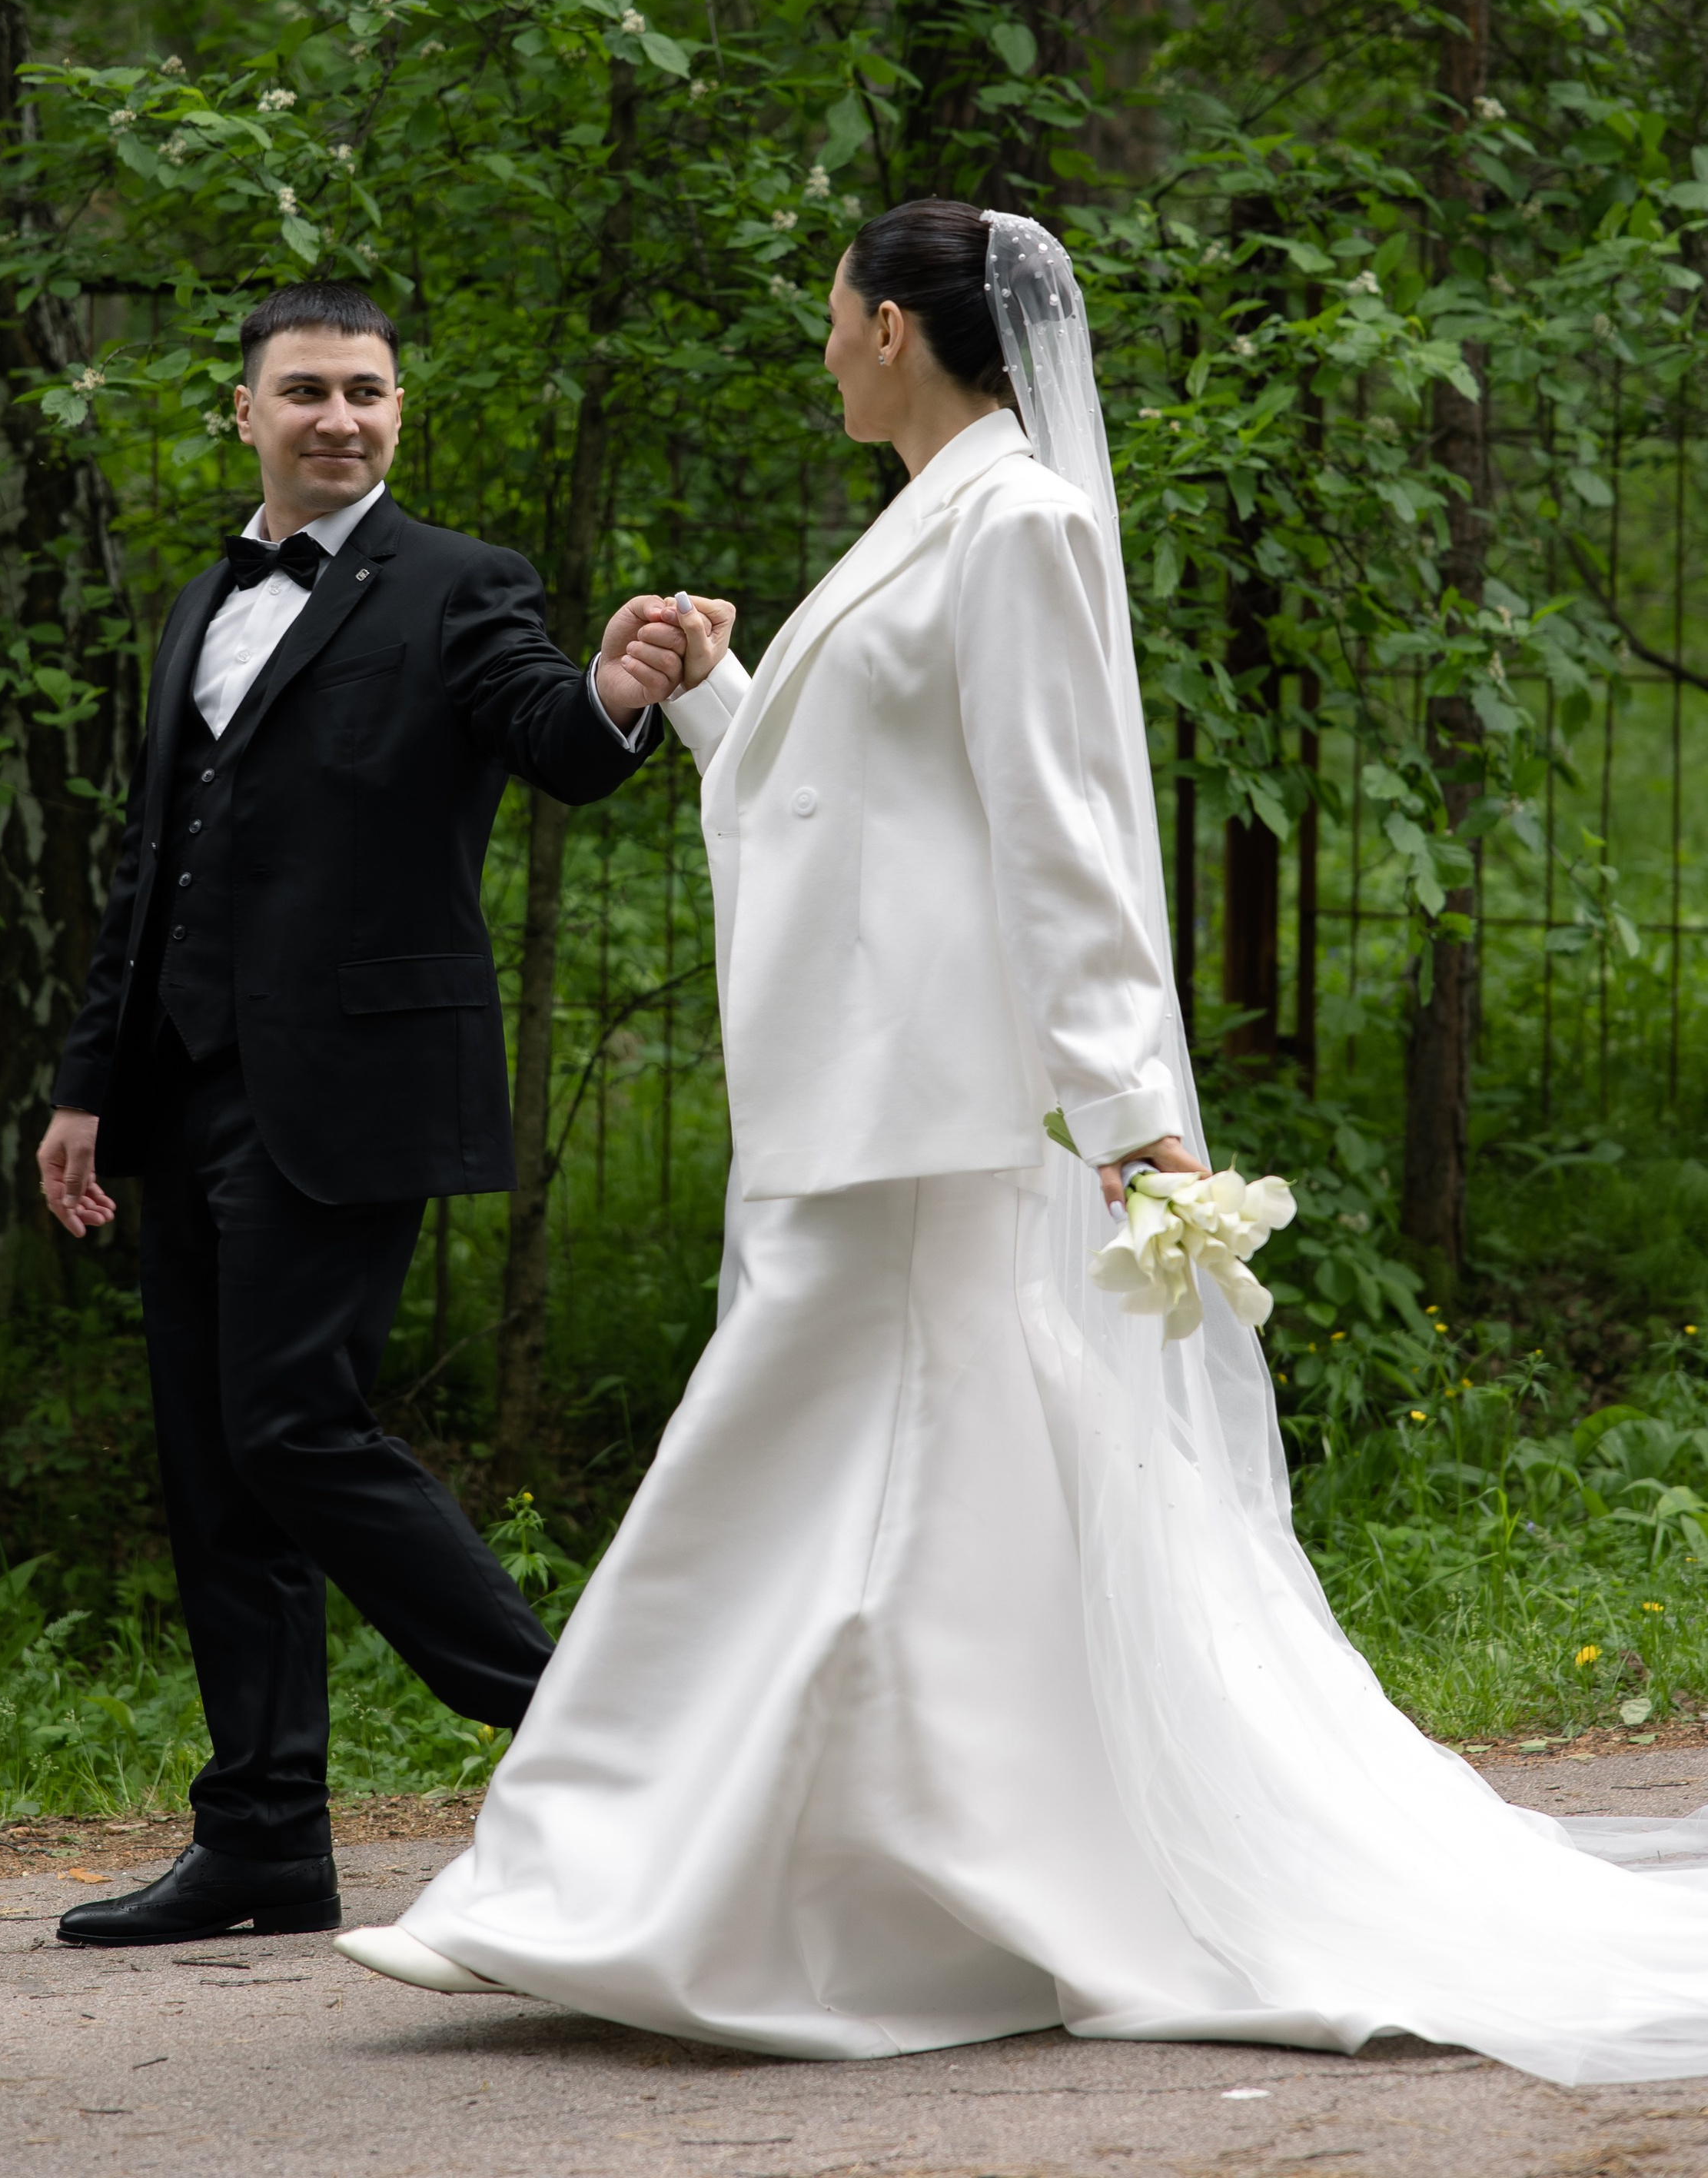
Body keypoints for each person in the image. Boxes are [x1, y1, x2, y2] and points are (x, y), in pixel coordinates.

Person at [337, 204, 1708, 2086]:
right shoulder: (930, 518)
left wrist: (1133, 1122)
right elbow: (862, 804)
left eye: (831, 320)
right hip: (869, 1104)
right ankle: (832, 1880)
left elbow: (1059, 831)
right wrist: (721, 695)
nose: (820, 350)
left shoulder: (1022, 524)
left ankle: (640, 1885)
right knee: (897, 1499)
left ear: (894, 327)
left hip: (946, 1112)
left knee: (776, 1470)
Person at [35, 280, 685, 1947]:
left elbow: (555, 740)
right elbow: (152, 866)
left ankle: (591, 1732)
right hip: (182, 1097)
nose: (339, 416)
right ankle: (260, 1839)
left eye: (367, 392)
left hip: (350, 1085)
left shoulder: (461, 586)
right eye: (306, 390)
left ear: (400, 414)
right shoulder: (202, 601)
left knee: (293, 1426)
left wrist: (613, 687)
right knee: (213, 1471)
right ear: (243, 412)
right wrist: (87, 1087)